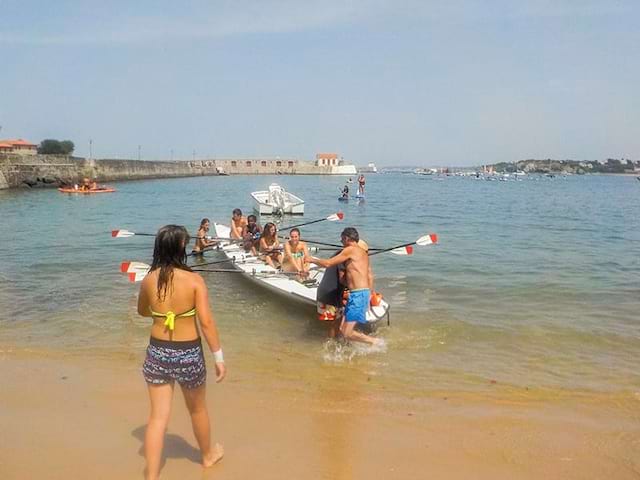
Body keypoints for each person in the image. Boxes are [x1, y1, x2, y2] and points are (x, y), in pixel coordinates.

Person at [137, 225, 226, 479]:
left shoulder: (149, 280)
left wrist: (163, 311)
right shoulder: (195, 280)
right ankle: (207, 456)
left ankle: (152, 475)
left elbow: (142, 311)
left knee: (157, 418)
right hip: (188, 353)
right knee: (197, 409)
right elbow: (207, 323)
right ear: (180, 247)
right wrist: (218, 357)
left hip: (158, 352)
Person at [306, 227, 381, 345]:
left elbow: (328, 263)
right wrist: (370, 294)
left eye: (342, 240)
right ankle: (345, 351)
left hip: (358, 295)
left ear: (346, 238)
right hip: (359, 294)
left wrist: (311, 259)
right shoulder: (363, 253)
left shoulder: (350, 250)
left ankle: (375, 342)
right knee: (342, 329)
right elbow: (369, 276)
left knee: (347, 333)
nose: (342, 244)